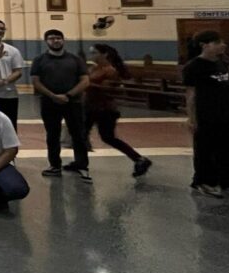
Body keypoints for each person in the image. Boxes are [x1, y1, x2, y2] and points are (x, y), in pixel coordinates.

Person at [30, 29, 91, 182]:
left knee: (78, 135)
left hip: (73, 103)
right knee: (52, 135)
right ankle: (55, 165)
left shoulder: (75, 59)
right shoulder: (39, 60)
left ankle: (82, 165)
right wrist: (53, 96)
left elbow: (85, 80)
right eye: (51, 38)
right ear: (46, 41)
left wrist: (68, 95)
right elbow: (36, 81)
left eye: (58, 38)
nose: (55, 41)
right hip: (49, 103)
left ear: (63, 40)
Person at [86, 44, 152, 178]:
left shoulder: (110, 70)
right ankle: (80, 162)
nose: (91, 55)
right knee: (81, 134)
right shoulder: (94, 68)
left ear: (104, 54)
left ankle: (139, 159)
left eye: (94, 53)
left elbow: (108, 89)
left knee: (108, 137)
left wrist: (85, 83)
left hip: (105, 109)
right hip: (90, 106)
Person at [182, 31, 229, 197]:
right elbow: (191, 94)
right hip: (206, 114)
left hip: (224, 113)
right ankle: (203, 181)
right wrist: (192, 118)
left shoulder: (222, 62)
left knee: (224, 148)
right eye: (218, 43)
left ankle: (224, 179)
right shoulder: (194, 67)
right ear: (205, 45)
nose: (222, 45)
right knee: (205, 149)